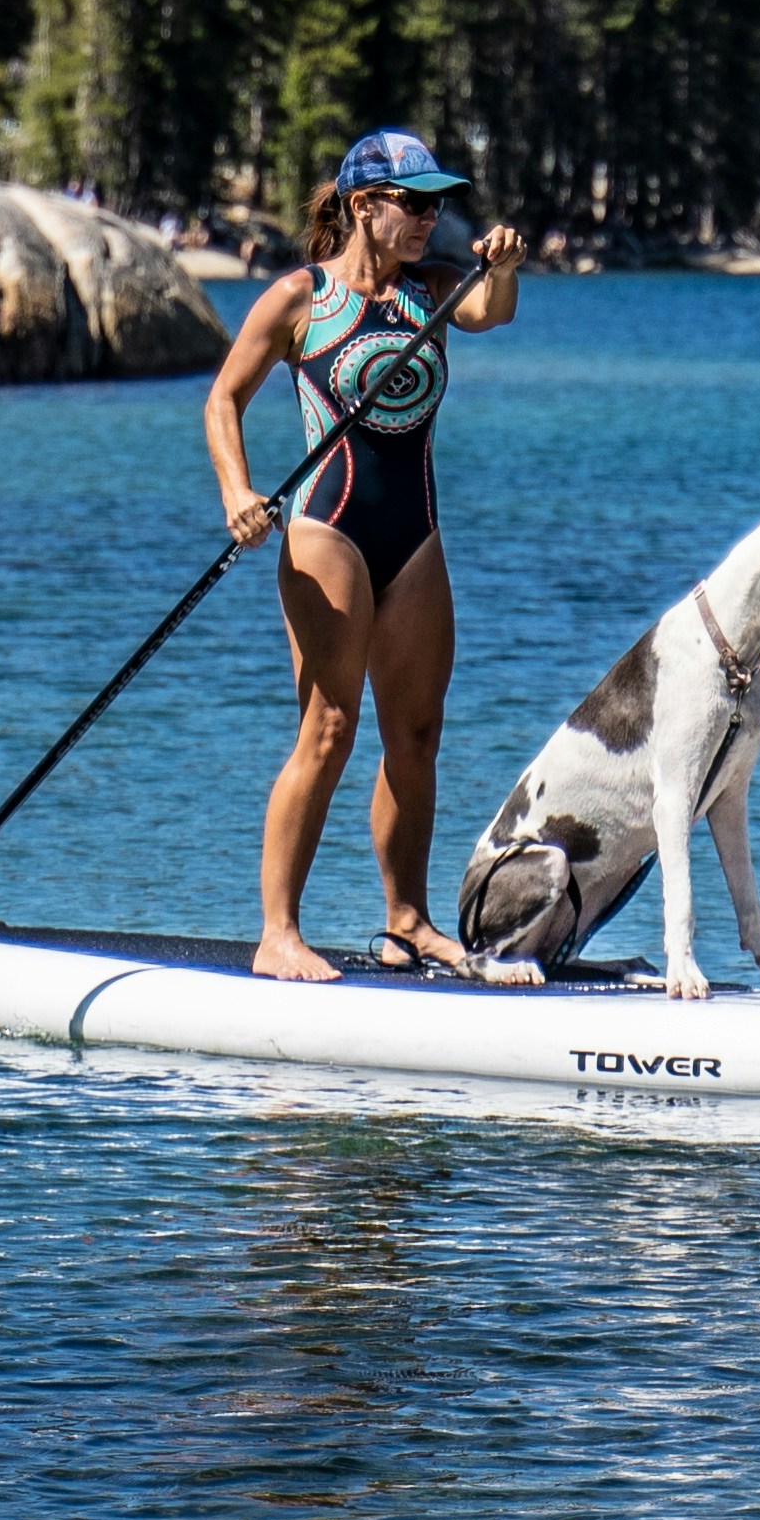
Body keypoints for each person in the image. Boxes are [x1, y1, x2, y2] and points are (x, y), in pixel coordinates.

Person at [205, 125, 530, 981]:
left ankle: (407, 922)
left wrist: (501, 264)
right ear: (362, 205)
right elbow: (223, 400)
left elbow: (491, 312)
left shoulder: (433, 290)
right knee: (329, 728)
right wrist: (239, 493)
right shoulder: (299, 298)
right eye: (413, 203)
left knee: (415, 733)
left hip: (415, 537)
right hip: (328, 529)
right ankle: (278, 934)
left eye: (438, 204)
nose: (430, 218)